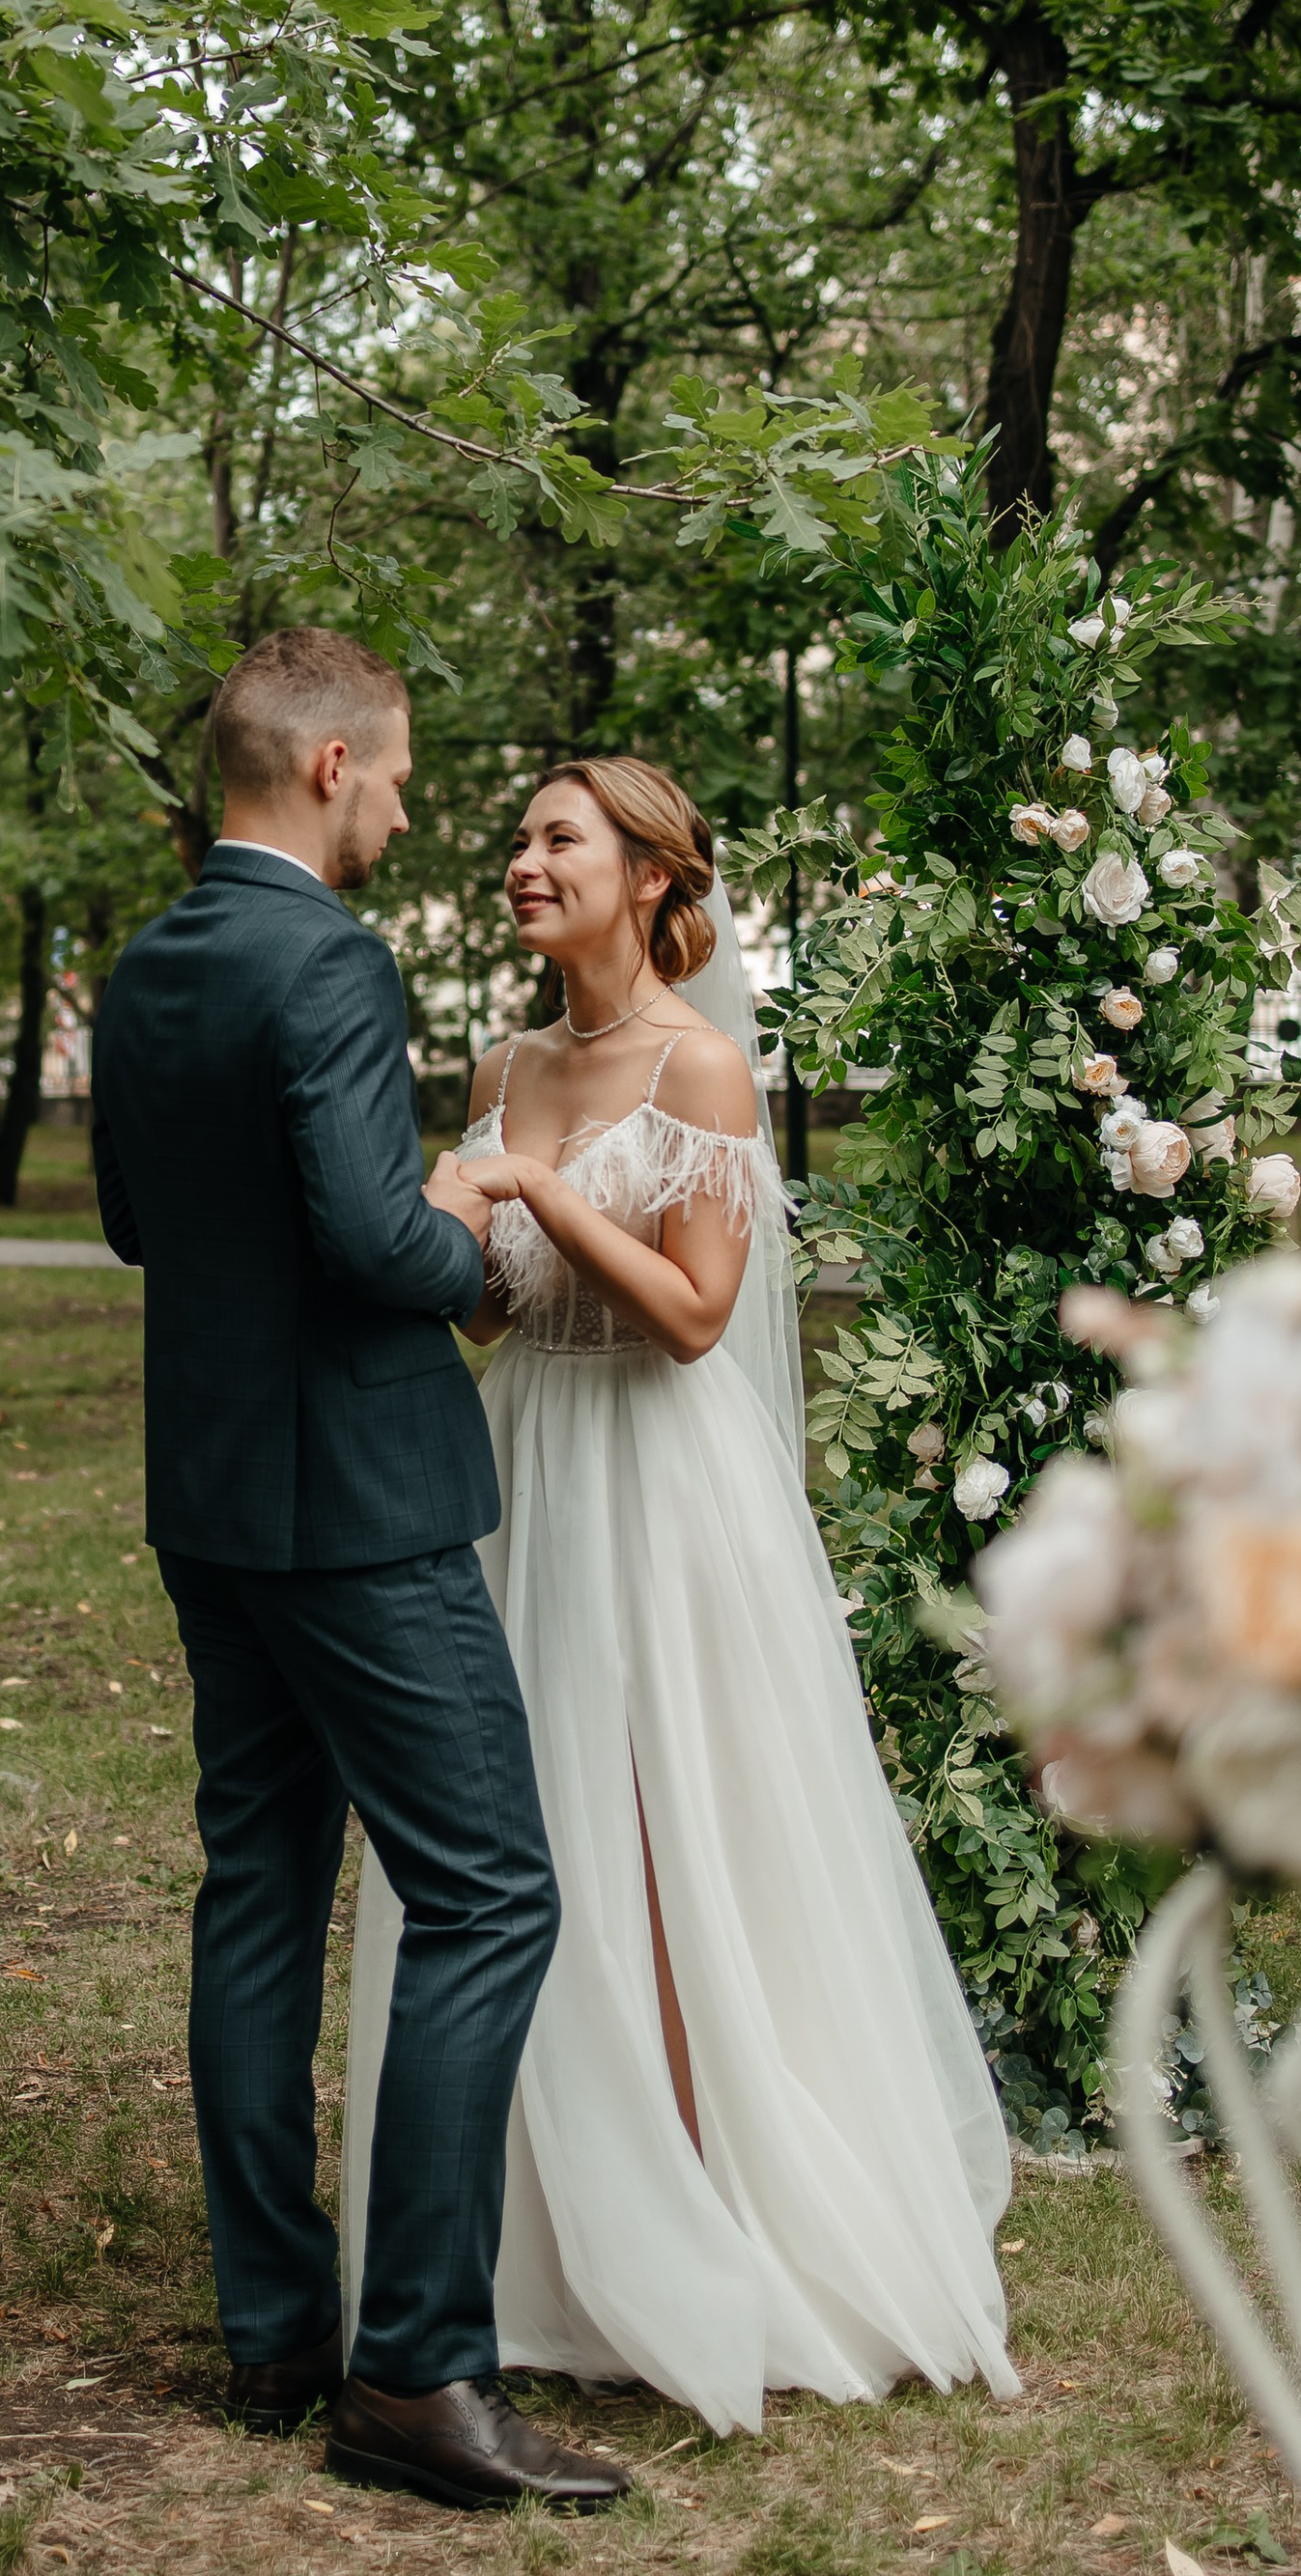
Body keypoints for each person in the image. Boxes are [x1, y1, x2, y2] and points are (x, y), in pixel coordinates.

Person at [343, 757, 1020, 2428]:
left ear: (650, 876)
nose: (520, 861)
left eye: (556, 839)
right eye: (515, 837)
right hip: (525, 1474)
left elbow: (701, 1314)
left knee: (672, 1833)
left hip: (664, 1481)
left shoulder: (705, 1066)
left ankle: (714, 2202)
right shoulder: (505, 1062)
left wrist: (541, 1191)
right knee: (531, 1828)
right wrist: (444, 1224)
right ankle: (544, 2237)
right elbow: (495, 1314)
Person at [92, 630, 629, 2511]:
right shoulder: (324, 957)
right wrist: (466, 1231)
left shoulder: (148, 963)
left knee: (255, 1890)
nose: (405, 804)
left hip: (211, 1503)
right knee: (486, 1891)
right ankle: (411, 2371)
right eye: (393, 773)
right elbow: (359, 1235)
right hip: (360, 1513)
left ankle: (271, 2334)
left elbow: (134, 1222)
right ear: (324, 768)